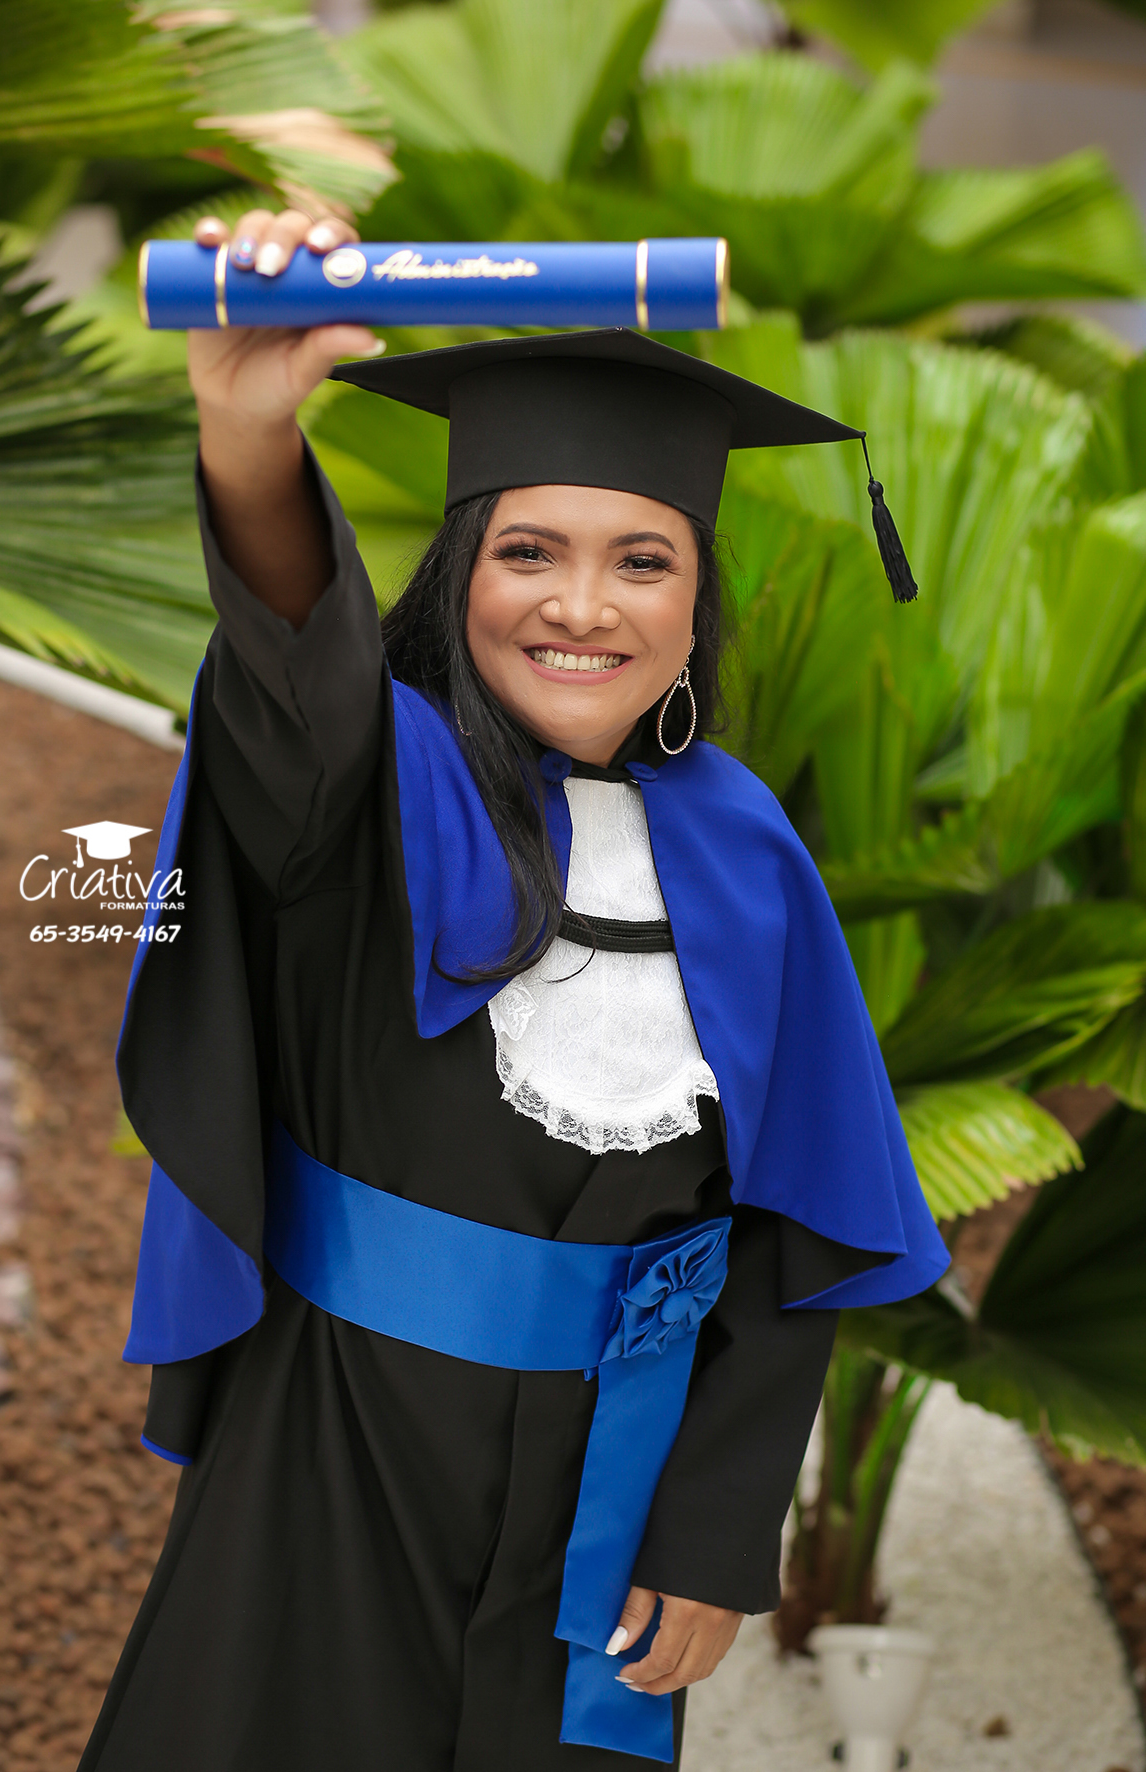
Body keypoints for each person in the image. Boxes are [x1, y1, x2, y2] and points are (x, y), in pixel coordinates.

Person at [80, 208, 948, 1772]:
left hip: (601, 1494)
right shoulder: (375, 787)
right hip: (335, 1452)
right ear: (456, 576)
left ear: (693, 606)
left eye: (641, 562)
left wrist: (713, 1528)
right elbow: (291, 666)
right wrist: (250, 441)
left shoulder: (749, 854)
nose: (581, 606)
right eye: (526, 551)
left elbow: (783, 1237)